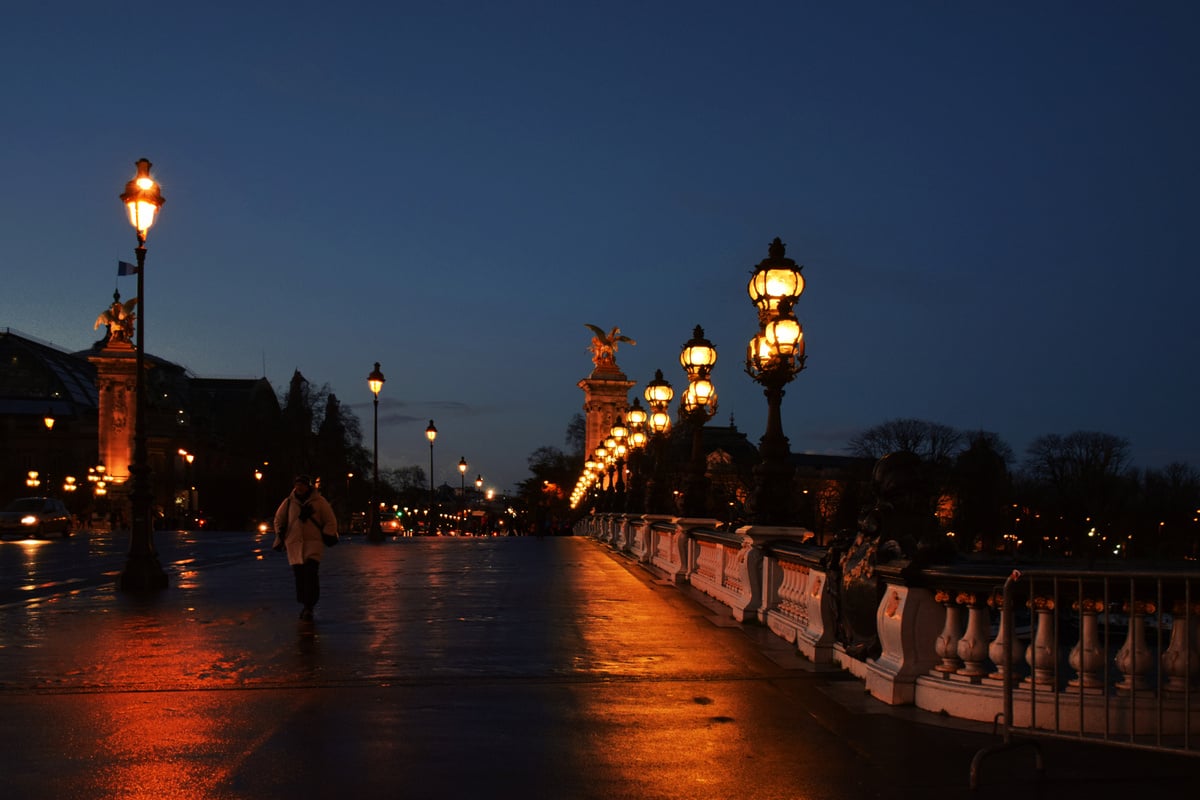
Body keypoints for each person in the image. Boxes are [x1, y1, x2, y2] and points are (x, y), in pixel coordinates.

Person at [273, 474, 338, 620]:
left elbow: (330, 521)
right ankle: (305, 603)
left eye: (302, 484)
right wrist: (280, 533)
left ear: (308, 486)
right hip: (295, 545)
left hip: (313, 545)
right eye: (297, 484)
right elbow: (279, 519)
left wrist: (327, 534)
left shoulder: (320, 502)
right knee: (300, 577)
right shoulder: (288, 502)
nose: (299, 487)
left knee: (311, 575)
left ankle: (309, 606)